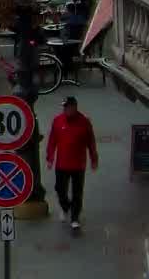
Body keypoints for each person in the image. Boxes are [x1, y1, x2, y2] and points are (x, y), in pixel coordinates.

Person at [45, 95, 99, 231]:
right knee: (59, 188)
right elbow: (52, 140)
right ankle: (66, 206)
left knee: (77, 192)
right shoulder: (57, 121)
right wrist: (50, 158)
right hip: (62, 164)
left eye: (68, 107)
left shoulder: (84, 122)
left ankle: (75, 218)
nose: (66, 110)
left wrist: (94, 159)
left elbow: (91, 142)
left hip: (78, 164)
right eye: (64, 107)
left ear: (74, 107)